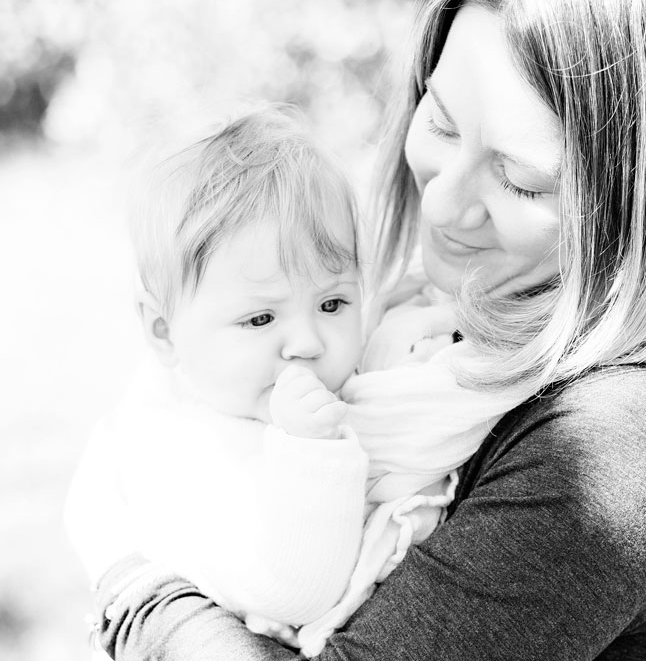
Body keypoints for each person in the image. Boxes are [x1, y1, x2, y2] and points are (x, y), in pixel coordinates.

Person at [94, 0, 646, 658]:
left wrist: (137, 588)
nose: (440, 203)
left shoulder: (627, 442)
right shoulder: (420, 319)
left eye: (523, 182)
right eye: (439, 122)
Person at [65, 107, 527, 657]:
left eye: (333, 303)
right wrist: (312, 453)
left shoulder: (326, 378)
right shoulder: (185, 453)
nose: (307, 342)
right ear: (165, 332)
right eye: (260, 319)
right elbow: (298, 593)